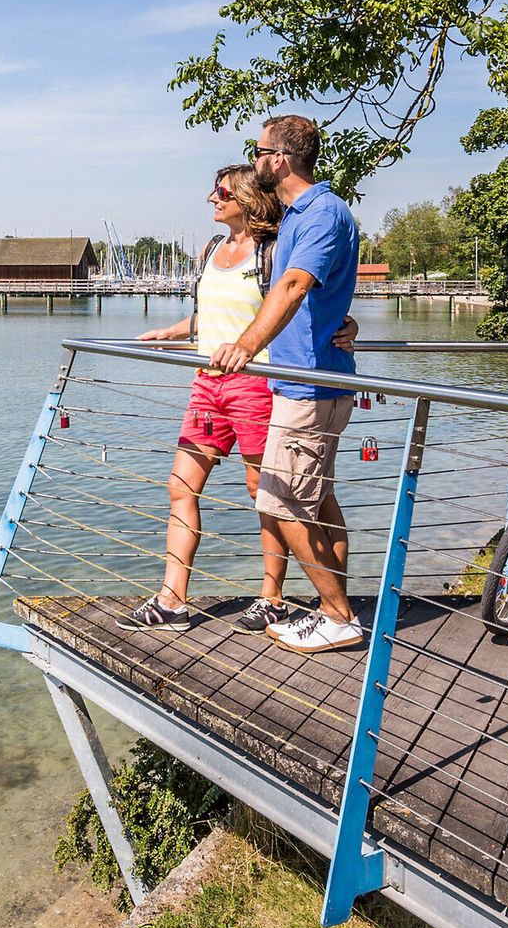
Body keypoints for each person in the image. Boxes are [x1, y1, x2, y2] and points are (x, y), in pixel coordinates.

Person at [119, 166, 359, 633]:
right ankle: (172, 599)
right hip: (207, 382)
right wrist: (171, 332)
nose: (212, 197)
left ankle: (271, 597)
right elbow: (210, 316)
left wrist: (346, 326)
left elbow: (298, 305)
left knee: (264, 493)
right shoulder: (212, 250)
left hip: (254, 384)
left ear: (246, 198)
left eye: (222, 191)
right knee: (180, 486)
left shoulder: (271, 253)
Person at [210, 114, 363, 652]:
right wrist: (344, 319)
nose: (253, 160)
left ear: (278, 158)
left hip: (312, 386)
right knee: (316, 502)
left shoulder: (323, 212)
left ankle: (339, 616)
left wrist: (245, 346)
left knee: (277, 501)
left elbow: (297, 284)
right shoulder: (300, 214)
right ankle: (332, 609)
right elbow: (313, 294)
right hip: (300, 381)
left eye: (256, 151)